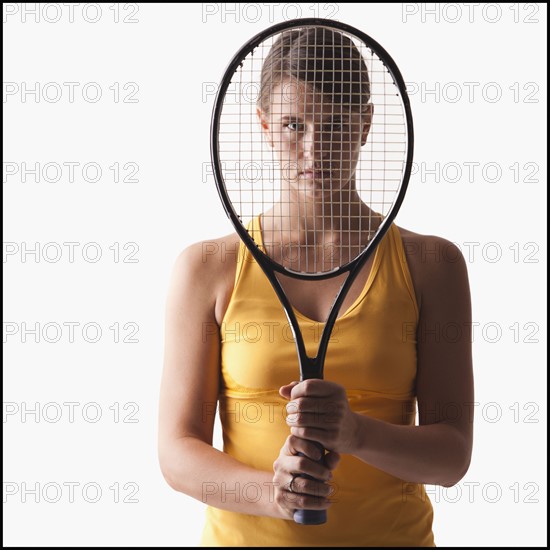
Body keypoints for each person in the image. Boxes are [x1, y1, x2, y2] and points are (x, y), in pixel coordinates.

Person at [158, 26, 473, 547]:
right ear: (263, 125)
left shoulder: (431, 265)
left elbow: (451, 457)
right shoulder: (206, 268)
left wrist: (355, 433)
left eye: (336, 124)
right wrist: (271, 494)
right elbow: (175, 450)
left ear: (367, 123)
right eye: (293, 124)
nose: (314, 148)